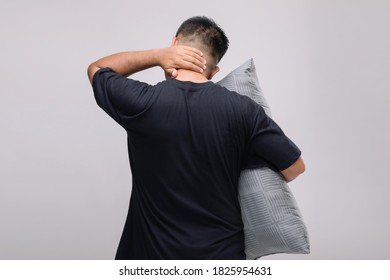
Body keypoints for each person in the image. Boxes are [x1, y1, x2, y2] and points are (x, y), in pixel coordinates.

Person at [87, 16, 305, 260]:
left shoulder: (143, 102)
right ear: (214, 71)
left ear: (174, 44)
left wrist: (157, 55)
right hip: (222, 258)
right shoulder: (244, 110)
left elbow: (96, 69)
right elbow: (294, 167)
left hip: (150, 257)